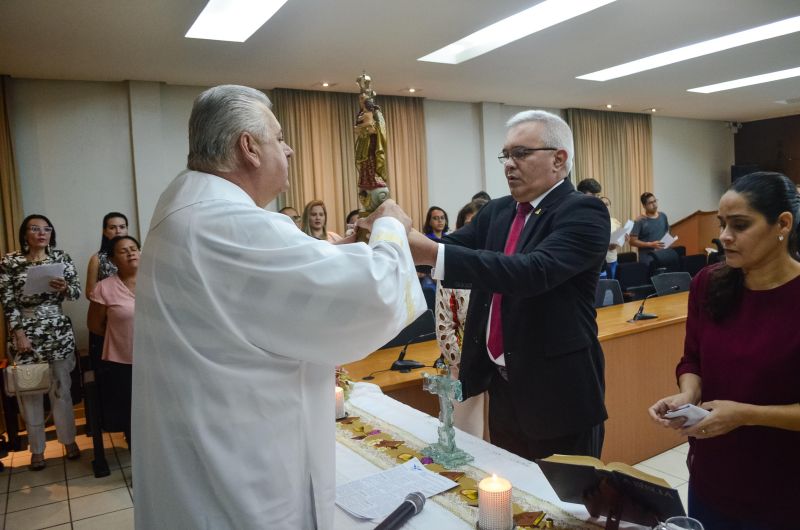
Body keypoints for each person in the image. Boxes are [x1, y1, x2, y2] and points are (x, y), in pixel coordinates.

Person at [132, 84, 426, 530]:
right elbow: (372, 294)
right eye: (278, 137)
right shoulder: (224, 222)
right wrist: (389, 225)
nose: (288, 149)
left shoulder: (188, 203)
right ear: (248, 147)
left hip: (210, 434)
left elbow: (266, 294)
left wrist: (332, 255)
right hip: (242, 469)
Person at [410, 110, 609, 461]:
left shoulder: (583, 211)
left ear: (558, 159)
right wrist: (393, 234)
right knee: (512, 495)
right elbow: (455, 248)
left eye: (521, 153)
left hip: (558, 390)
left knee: (565, 504)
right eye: (506, 155)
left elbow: (531, 272)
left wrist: (431, 251)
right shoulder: (498, 212)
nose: (509, 165)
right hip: (504, 385)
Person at [648, 172, 800, 529]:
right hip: (712, 475)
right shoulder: (708, 283)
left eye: (740, 225)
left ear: (783, 224)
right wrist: (687, 395)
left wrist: (746, 414)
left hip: (784, 486)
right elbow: (693, 360)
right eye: (722, 224)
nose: (724, 236)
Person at [0, 215, 81, 470]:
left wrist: (65, 287)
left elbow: (77, 292)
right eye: (35, 229)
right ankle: (37, 450)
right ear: (25, 233)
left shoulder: (62, 258)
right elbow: (8, 301)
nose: (41, 233)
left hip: (57, 329)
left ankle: (68, 441)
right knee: (31, 391)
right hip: (27, 333)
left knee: (61, 388)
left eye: (47, 229)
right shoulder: (10, 261)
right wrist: (18, 333)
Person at [435, 199, 489, 440]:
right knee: (470, 441)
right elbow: (444, 325)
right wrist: (464, 363)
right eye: (469, 226)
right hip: (463, 369)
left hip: (499, 370)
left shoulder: (502, 266)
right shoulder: (453, 268)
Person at [87, 235, 140, 447]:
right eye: (123, 250)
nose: (130, 253)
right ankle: (136, 452)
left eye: (134, 248)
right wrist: (121, 337)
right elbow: (95, 325)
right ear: (112, 259)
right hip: (123, 361)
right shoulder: (104, 288)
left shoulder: (156, 280)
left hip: (156, 358)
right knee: (130, 409)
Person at [84, 212, 128, 299]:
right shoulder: (97, 259)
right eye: (112, 228)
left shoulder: (138, 255)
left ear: (127, 229)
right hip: (109, 307)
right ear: (105, 232)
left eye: (122, 227)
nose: (118, 231)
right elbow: (90, 293)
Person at [630, 192, 670, 264]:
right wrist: (650, 244)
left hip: (663, 256)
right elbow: (632, 241)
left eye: (655, 201)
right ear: (644, 206)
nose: (654, 204)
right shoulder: (639, 221)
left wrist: (668, 242)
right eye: (650, 203)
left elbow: (667, 232)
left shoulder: (663, 216)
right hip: (648, 259)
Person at [601, 196, 625, 279]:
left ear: (610, 206)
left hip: (613, 260)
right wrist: (608, 245)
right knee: (602, 288)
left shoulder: (615, 222)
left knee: (613, 286)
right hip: (600, 263)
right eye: (602, 204)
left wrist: (624, 238)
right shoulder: (594, 222)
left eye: (607, 204)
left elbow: (619, 242)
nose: (605, 206)